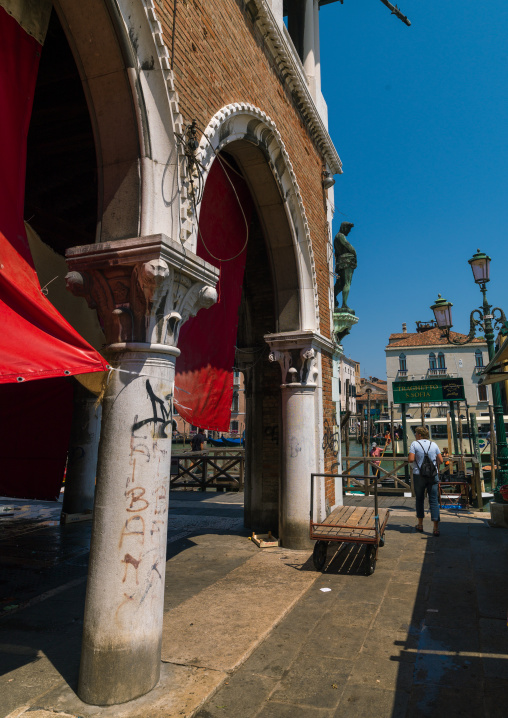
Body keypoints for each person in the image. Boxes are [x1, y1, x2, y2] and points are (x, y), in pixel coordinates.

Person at [409, 426, 443, 536]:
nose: (415, 435)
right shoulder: (434, 444)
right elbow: (441, 460)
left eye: (415, 433)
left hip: (419, 475)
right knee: (434, 500)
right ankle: (436, 528)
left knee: (419, 499)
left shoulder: (415, 444)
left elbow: (410, 459)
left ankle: (420, 524)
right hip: (433, 475)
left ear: (419, 434)